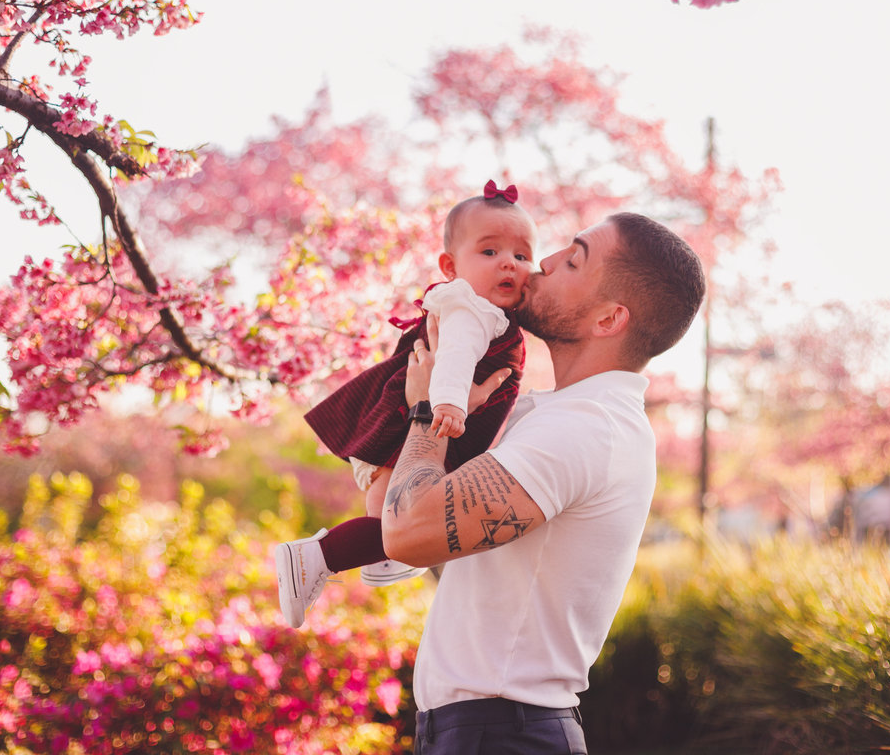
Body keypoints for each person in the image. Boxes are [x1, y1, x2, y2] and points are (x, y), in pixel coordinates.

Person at [379, 212, 706, 754]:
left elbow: (408, 532)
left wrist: (426, 406)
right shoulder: (563, 416)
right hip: (489, 729)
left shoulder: (586, 428)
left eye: (572, 259)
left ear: (609, 319)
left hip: (502, 735)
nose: (543, 262)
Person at [274, 181, 538, 628]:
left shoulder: (486, 312)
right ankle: (313, 558)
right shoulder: (472, 312)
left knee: (388, 508)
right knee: (399, 514)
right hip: (435, 418)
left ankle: (384, 560)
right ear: (451, 267)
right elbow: (452, 358)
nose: (509, 263)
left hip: (423, 419)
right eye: (490, 252)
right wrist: (450, 405)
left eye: (522, 255)